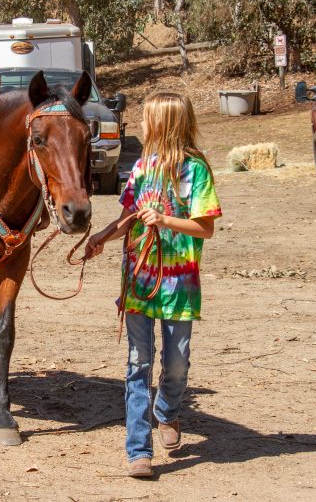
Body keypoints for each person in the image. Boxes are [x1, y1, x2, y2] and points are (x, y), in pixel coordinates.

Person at [85, 92, 222, 478]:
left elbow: (205, 228)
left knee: (176, 364)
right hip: (140, 284)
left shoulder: (195, 171)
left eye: (146, 120)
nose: (141, 126)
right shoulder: (141, 168)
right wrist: (100, 237)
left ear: (163, 125)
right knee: (138, 365)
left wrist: (164, 221)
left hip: (179, 285)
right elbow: (128, 217)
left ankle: (167, 411)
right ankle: (138, 451)